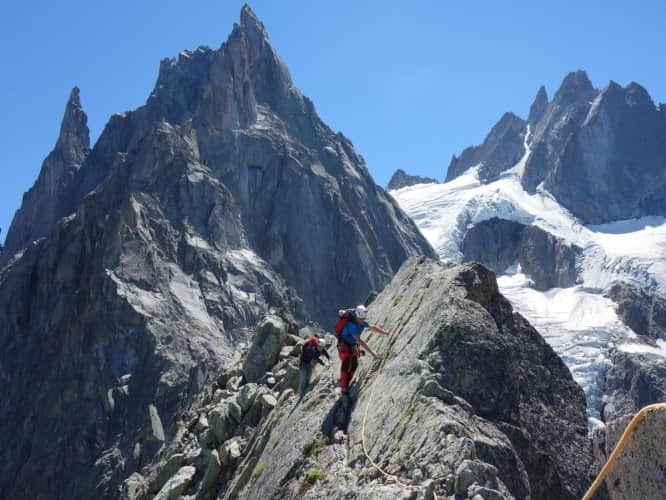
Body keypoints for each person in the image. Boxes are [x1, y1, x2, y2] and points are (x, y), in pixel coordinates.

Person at [337, 305, 389, 394]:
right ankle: (343, 385)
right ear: (357, 317)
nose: (362, 321)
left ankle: (347, 382)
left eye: (363, 319)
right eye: (361, 319)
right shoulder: (352, 325)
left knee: (354, 364)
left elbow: (372, 327)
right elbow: (359, 340)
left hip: (352, 343)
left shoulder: (360, 322)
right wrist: (373, 353)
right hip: (344, 344)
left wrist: (384, 332)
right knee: (347, 362)